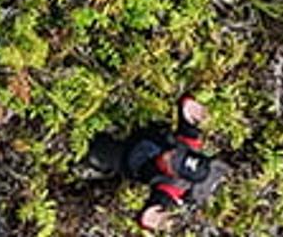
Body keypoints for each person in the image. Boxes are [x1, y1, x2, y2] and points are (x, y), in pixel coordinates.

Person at [82, 95, 225, 230]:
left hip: (126, 159)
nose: (169, 155)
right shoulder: (189, 144)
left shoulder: (173, 187)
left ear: (174, 173)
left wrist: (149, 218)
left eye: (171, 162)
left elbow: (151, 210)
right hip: (142, 134)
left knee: (92, 150)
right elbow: (186, 116)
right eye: (176, 154)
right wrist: (189, 105)